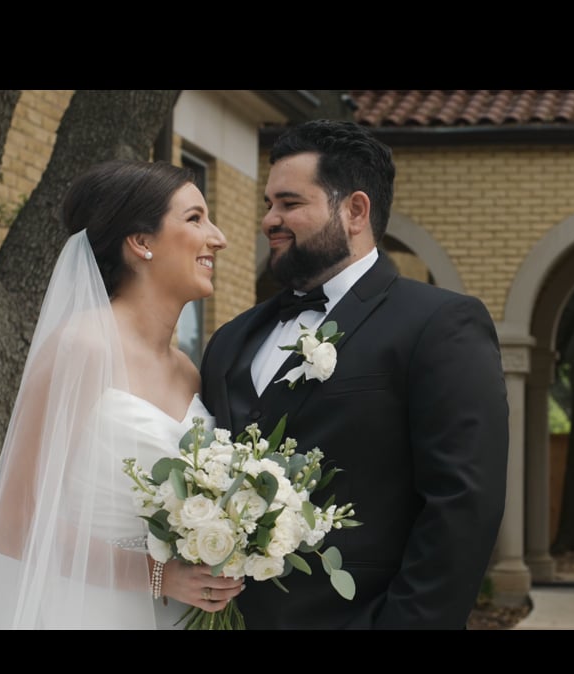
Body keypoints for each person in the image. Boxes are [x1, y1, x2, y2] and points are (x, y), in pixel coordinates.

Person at [199, 119, 509, 629]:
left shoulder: (440, 324)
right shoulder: (231, 339)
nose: (269, 220)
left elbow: (462, 504)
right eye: (268, 204)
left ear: (355, 211)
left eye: (289, 203)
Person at [0, 159, 244, 629]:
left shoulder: (188, 372)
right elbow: (16, 525)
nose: (219, 237)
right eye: (195, 218)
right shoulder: (82, 347)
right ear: (141, 242)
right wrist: (158, 576)